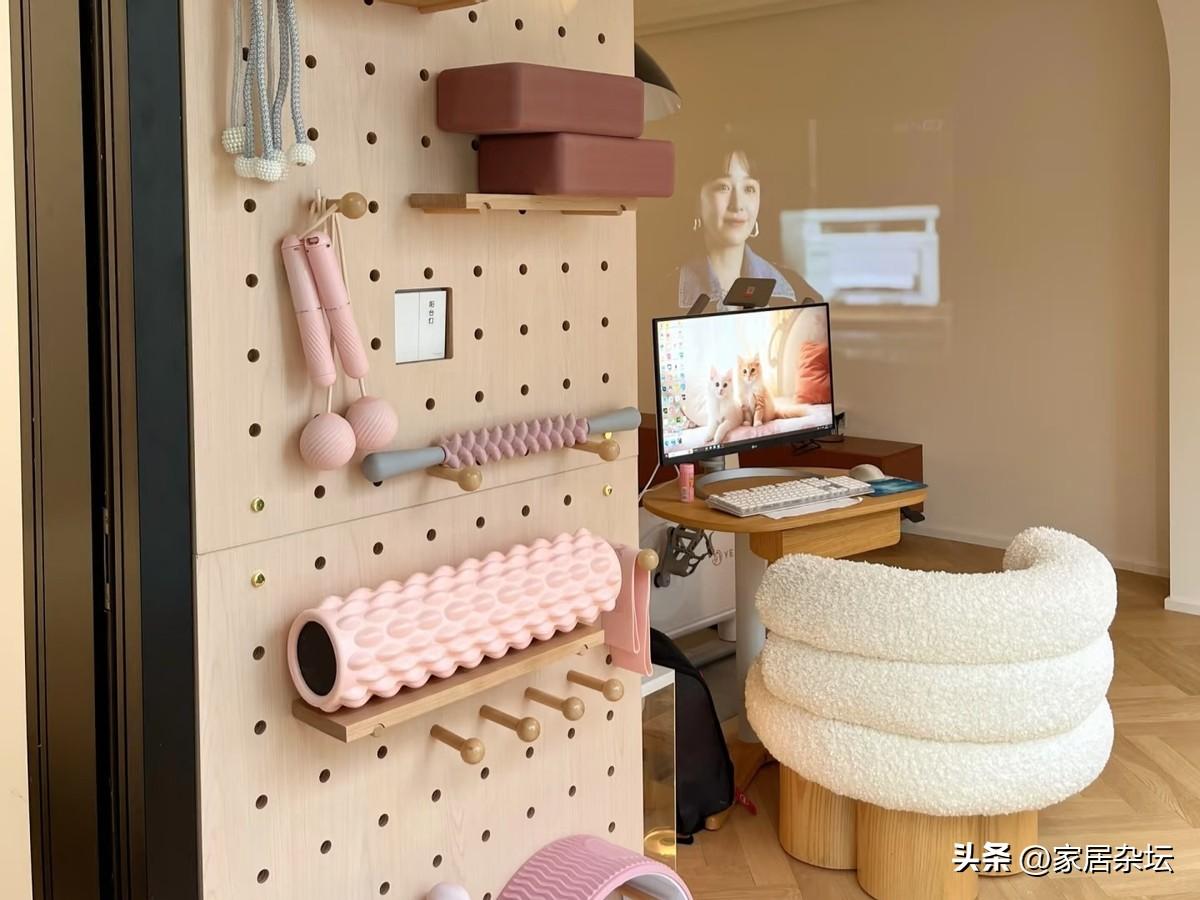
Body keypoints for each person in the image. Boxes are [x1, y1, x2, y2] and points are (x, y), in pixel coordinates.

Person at [677, 149, 797, 309]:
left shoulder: (798, 294)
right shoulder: (660, 297)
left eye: (749, 189)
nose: (738, 204)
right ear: (697, 202)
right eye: (723, 187)